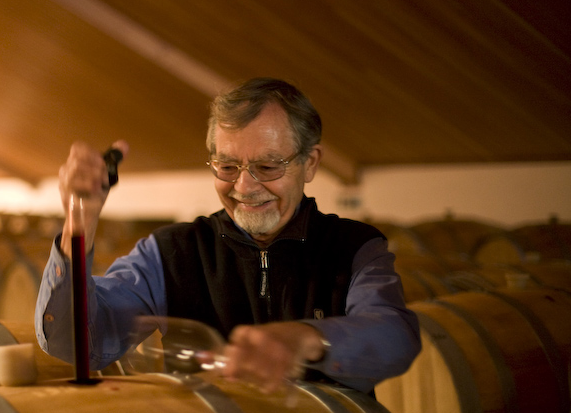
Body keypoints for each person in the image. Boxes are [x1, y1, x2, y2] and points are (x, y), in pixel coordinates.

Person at [36, 77, 420, 394]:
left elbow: (395, 336)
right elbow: (78, 344)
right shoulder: (172, 251)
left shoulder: (352, 247)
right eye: (227, 166)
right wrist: (78, 226)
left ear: (310, 163)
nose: (245, 186)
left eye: (268, 166)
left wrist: (305, 339)